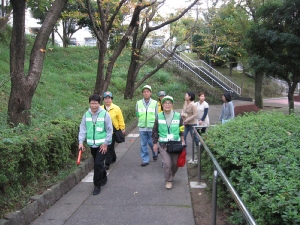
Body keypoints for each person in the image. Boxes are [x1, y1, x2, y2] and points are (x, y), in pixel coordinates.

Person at [78, 94, 113, 195]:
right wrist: (81, 142)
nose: (94, 105)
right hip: (92, 145)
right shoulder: (86, 115)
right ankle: (104, 176)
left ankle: (97, 185)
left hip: (103, 144)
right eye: (92, 103)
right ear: (89, 103)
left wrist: (106, 143)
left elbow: (109, 130)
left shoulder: (105, 114)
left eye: (96, 103)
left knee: (97, 163)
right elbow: (83, 129)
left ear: (99, 104)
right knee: (98, 163)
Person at [152, 95, 185, 190]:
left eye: (169, 103)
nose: (167, 105)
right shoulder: (159, 116)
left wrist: (183, 140)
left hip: (175, 144)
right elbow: (155, 130)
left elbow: (181, 129)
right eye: (165, 103)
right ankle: (168, 180)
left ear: (172, 105)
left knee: (175, 164)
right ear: (162, 105)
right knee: (167, 164)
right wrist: (155, 143)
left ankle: (172, 174)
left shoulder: (178, 116)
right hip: (163, 144)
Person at [101, 91, 125, 170]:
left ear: (111, 99)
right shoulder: (100, 108)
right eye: (106, 98)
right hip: (104, 131)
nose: (107, 100)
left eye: (109, 98)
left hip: (114, 131)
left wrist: (122, 128)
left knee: (109, 147)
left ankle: (107, 163)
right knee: (110, 147)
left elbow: (120, 119)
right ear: (103, 99)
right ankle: (113, 158)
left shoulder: (116, 108)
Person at [136, 85, 158, 166]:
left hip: (152, 126)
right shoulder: (138, 103)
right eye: (144, 92)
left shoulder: (155, 103)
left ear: (150, 93)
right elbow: (137, 113)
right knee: (143, 144)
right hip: (142, 126)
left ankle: (155, 152)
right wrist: (140, 120)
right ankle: (145, 160)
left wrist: (156, 127)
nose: (146, 93)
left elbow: (156, 115)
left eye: (147, 92)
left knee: (152, 142)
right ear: (142, 93)